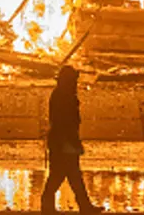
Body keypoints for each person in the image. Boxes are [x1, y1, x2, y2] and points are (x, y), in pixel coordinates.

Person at [41, 66, 100, 213]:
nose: (75, 84)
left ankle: (82, 206)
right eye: (73, 80)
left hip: (62, 141)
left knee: (71, 176)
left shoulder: (62, 95)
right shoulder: (63, 96)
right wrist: (70, 141)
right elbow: (63, 122)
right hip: (63, 142)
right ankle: (48, 204)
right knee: (62, 175)